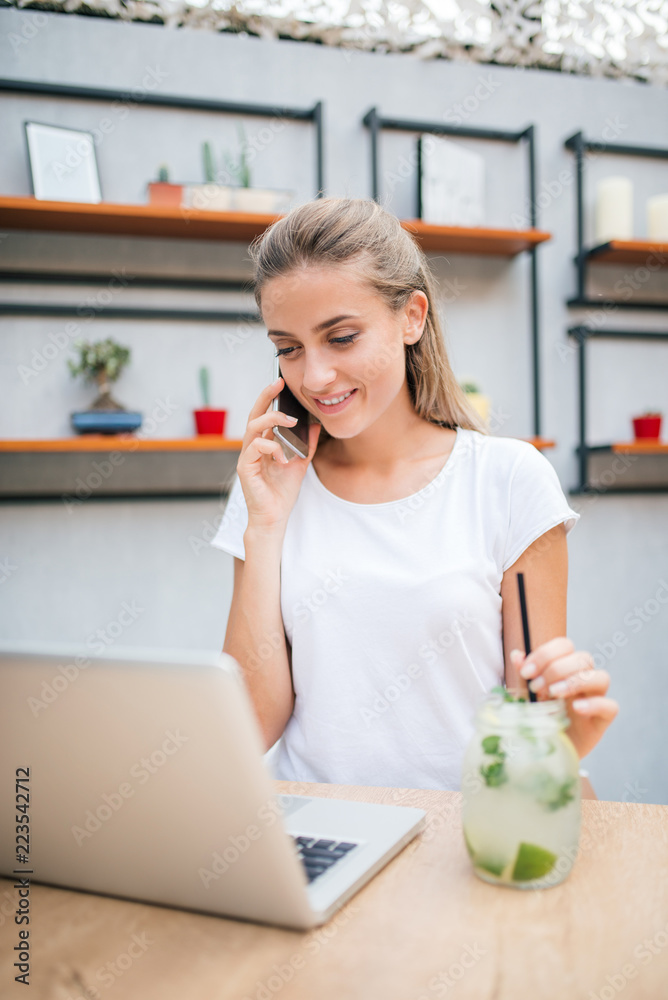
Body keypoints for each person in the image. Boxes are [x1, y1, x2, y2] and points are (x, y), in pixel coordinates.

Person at [211, 197, 618, 795]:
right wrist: (264, 527)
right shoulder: (269, 483)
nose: (315, 376)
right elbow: (247, 727)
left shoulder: (508, 480)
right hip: (314, 832)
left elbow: (533, 714)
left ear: (412, 317)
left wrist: (567, 736)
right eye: (289, 347)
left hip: (466, 830)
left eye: (341, 337)